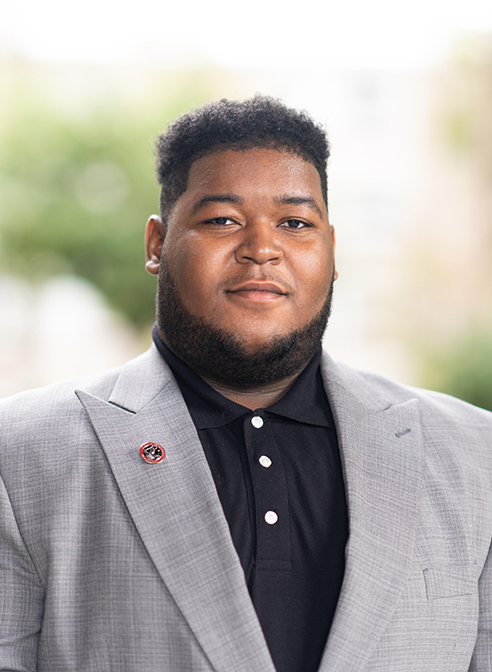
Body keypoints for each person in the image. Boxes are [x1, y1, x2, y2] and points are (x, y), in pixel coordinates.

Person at [0, 96, 491, 672]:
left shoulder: (474, 455)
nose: (262, 248)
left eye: (294, 223)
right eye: (222, 220)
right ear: (157, 244)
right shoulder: (21, 455)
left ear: (331, 249)